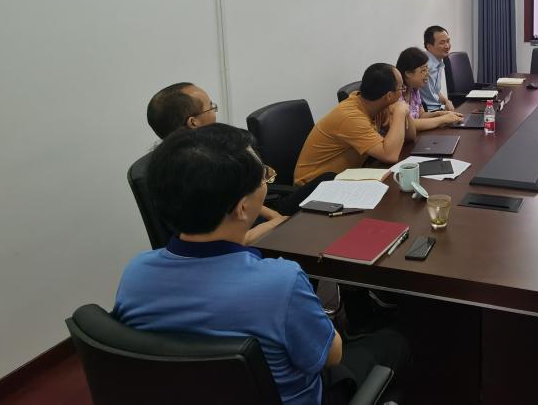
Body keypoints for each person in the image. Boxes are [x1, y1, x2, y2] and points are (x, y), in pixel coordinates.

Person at [114, 124, 409, 405]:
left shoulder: (135, 274)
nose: (266, 183)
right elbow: (331, 356)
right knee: (393, 341)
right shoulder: (281, 282)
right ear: (243, 208)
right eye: (263, 178)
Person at [146, 82, 287, 244]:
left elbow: (241, 197)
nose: (214, 111)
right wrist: (273, 225)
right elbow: (221, 242)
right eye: (210, 107)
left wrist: (274, 217)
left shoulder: (207, 155)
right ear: (193, 122)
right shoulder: (192, 174)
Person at [294, 63, 415, 184]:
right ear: (389, 95)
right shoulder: (351, 117)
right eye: (401, 88)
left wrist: (405, 111)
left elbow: (410, 136)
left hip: (343, 178)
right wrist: (400, 112)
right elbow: (390, 155)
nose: (403, 91)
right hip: (314, 185)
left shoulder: (375, 104)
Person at [396, 47, 464, 131]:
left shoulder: (414, 90)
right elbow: (409, 125)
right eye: (423, 70)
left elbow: (421, 115)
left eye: (427, 69)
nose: (427, 74)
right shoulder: (397, 94)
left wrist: (441, 114)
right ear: (408, 73)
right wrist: (443, 119)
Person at [420, 25, 455, 112]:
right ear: (429, 46)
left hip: (437, 109)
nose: (447, 46)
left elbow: (434, 91)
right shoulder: (424, 65)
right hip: (428, 112)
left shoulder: (438, 62)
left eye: (448, 41)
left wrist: (446, 101)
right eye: (442, 43)